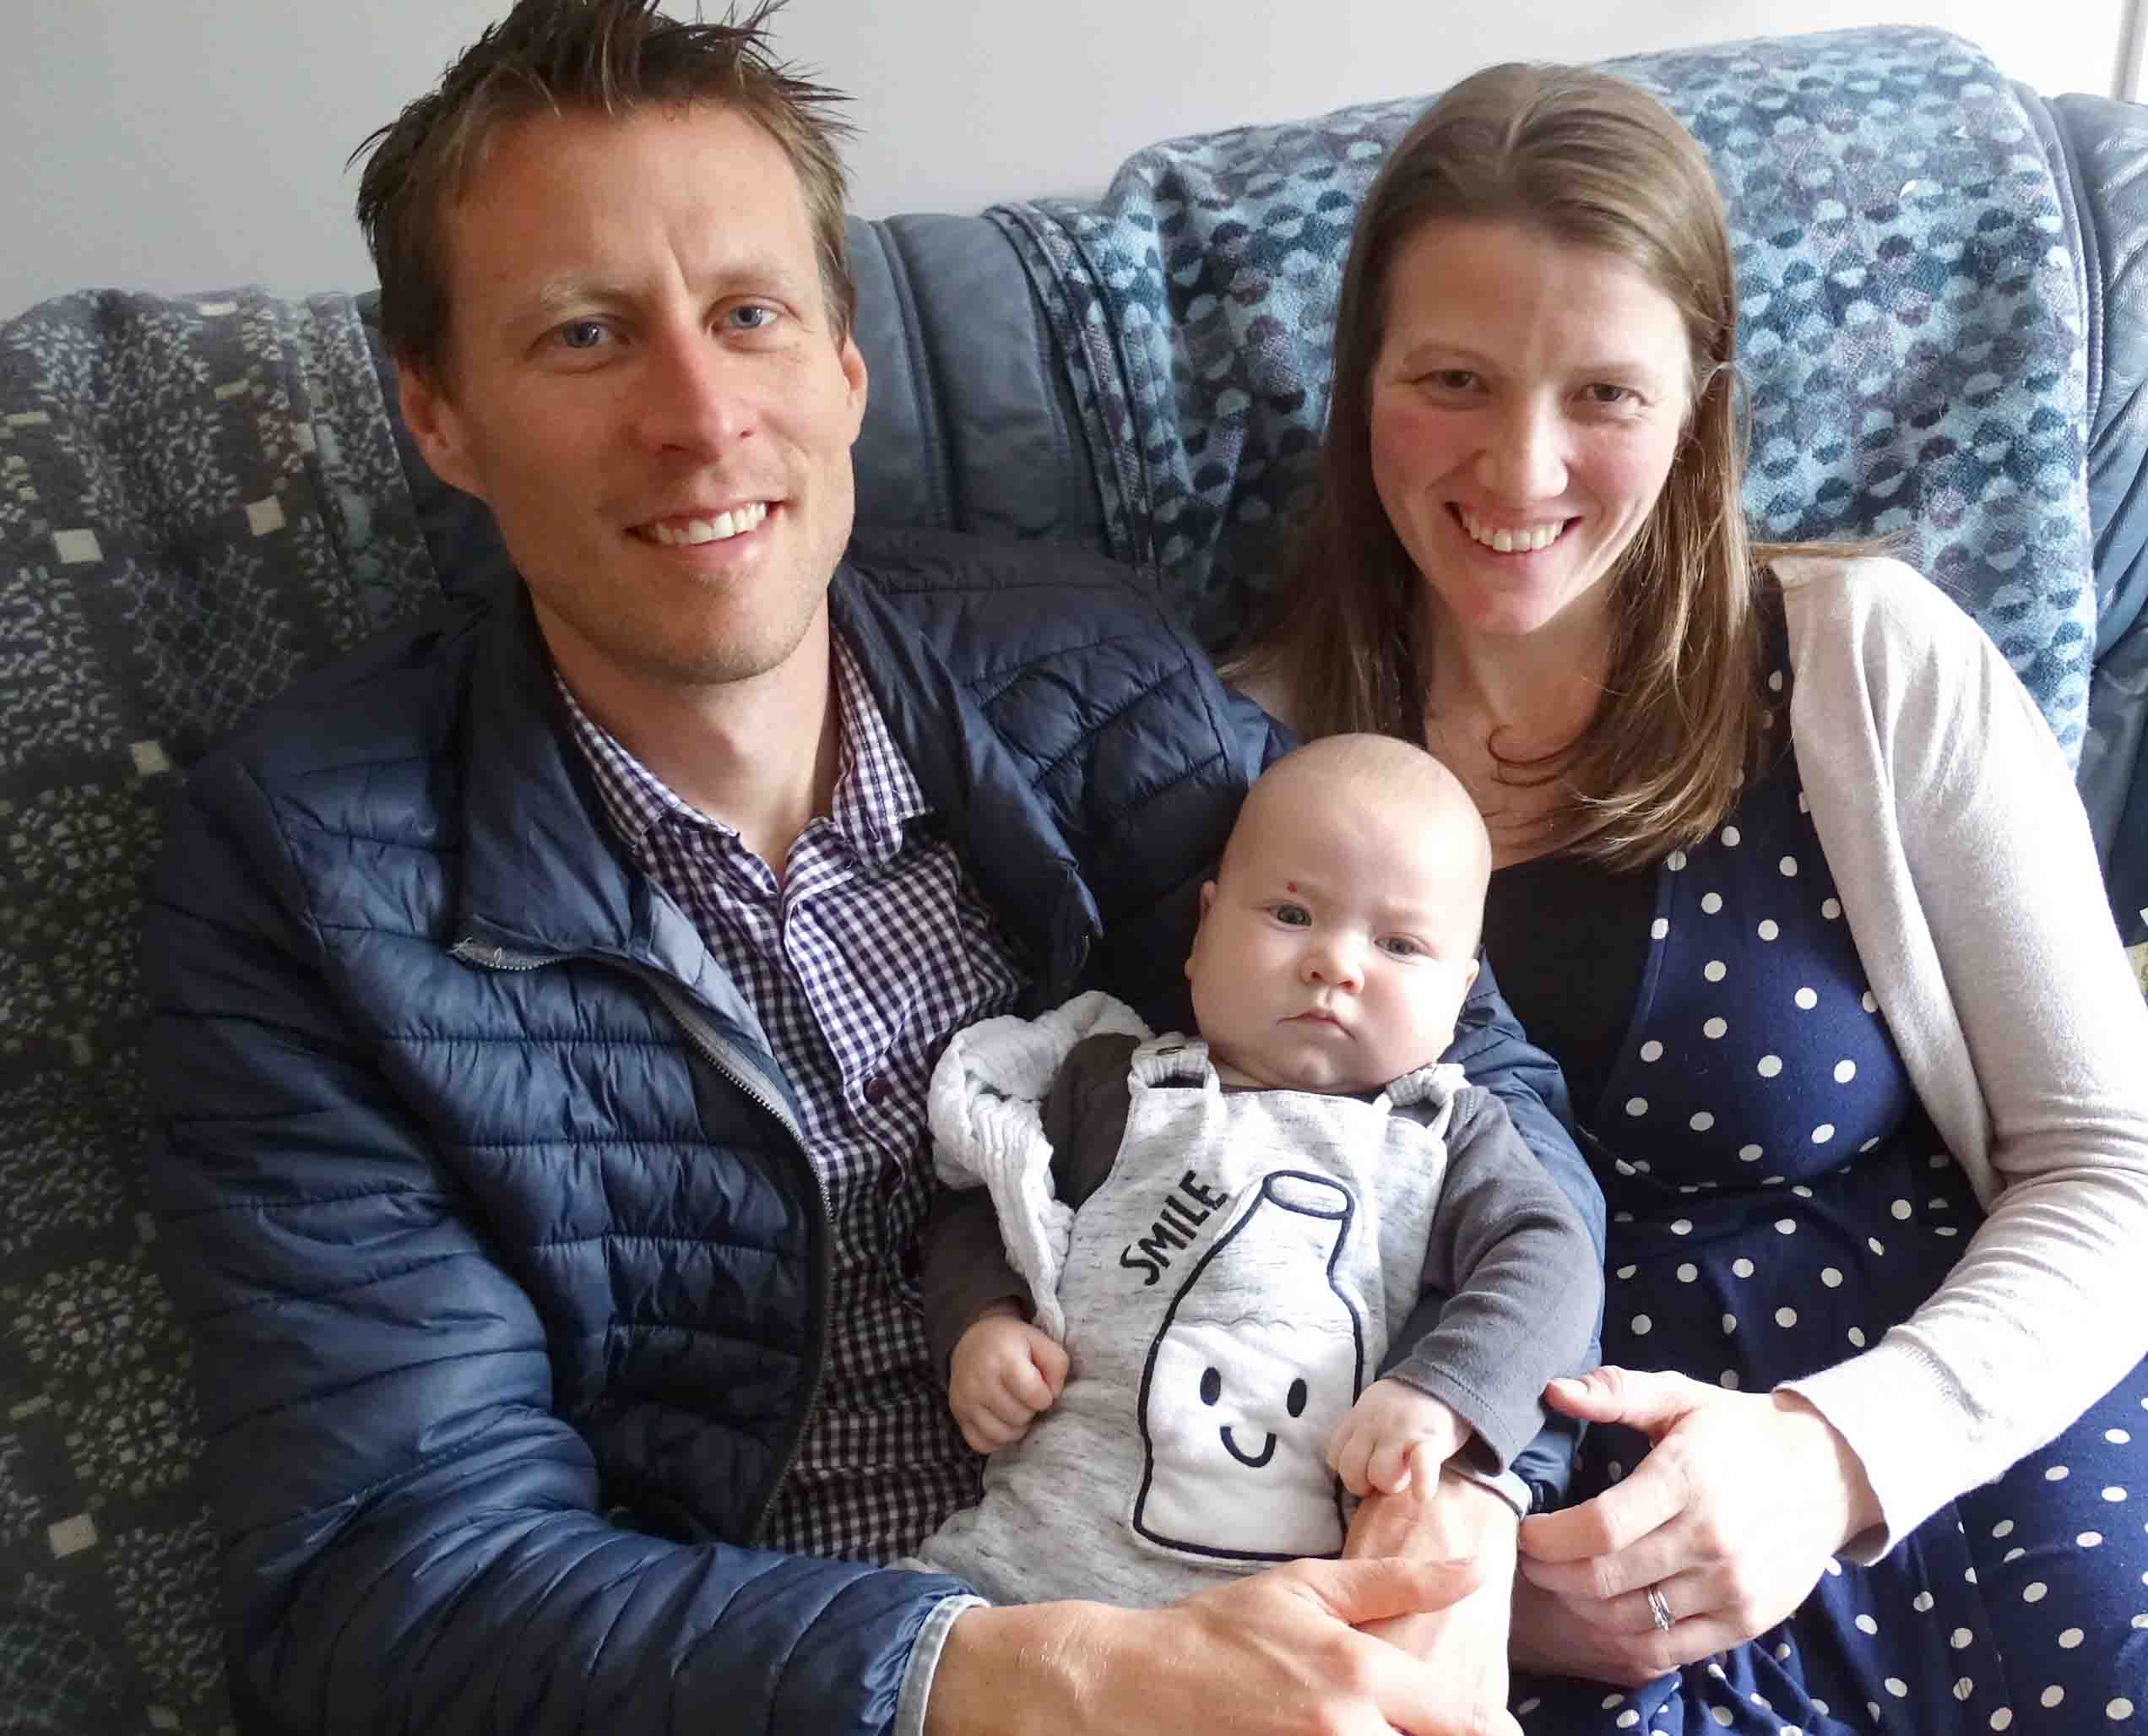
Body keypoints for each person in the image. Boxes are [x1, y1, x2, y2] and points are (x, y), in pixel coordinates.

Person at [138, 4, 1599, 1733]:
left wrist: (1467, 1492)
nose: (697, 416)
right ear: (441, 416)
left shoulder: (1086, 670)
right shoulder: (310, 875)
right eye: (586, 335)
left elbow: (1462, 1067)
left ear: (844, 365)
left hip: (1272, 1598)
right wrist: (1030, 1675)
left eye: (747, 315)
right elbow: (396, 1577)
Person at [1231, 62, 2148, 1735]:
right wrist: (1458, 1535)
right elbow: (1191, 1230)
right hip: (1546, 1535)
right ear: (1359, 391)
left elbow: (2120, 1169)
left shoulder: (1864, 662)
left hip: (1991, 1428)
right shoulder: (1243, 750)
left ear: (1701, 404)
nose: (1521, 463)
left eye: (1604, 395)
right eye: (1451, 380)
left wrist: (1836, 1450)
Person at [909, 735, 1603, 1608]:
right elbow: (986, 1208)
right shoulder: (1116, 1082)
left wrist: (1444, 1394)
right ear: (1202, 930)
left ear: (1459, 995)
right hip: (1029, 1581)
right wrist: (981, 1324)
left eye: (1397, 943)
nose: (1334, 963)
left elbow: (1552, 1259)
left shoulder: (1443, 1133)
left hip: (1294, 1621)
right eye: (1290, 915)